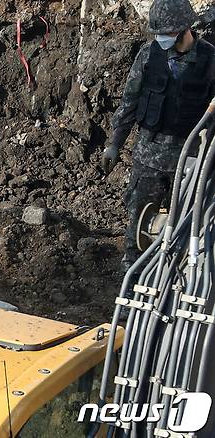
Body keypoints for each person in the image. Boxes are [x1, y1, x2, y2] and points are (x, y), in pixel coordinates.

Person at [101, 0, 215, 272]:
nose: (161, 39)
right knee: (138, 228)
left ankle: (174, 288)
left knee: (187, 230)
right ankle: (132, 285)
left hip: (190, 164)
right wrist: (115, 143)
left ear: (183, 29)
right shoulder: (148, 55)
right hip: (149, 158)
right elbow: (130, 101)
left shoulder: (210, 60)